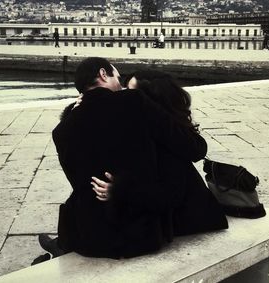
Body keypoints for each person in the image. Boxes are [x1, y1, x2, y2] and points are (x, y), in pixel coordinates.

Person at [42, 57, 211, 259]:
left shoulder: (61, 131)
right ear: (104, 74)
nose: (121, 87)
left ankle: (57, 248)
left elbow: (81, 183)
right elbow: (193, 148)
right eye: (118, 78)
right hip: (141, 235)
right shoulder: (135, 101)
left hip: (90, 237)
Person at [91, 70, 228, 237]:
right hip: (158, 217)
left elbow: (169, 196)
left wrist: (119, 190)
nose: (126, 96)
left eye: (133, 93)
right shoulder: (149, 127)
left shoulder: (167, 144)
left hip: (183, 221)